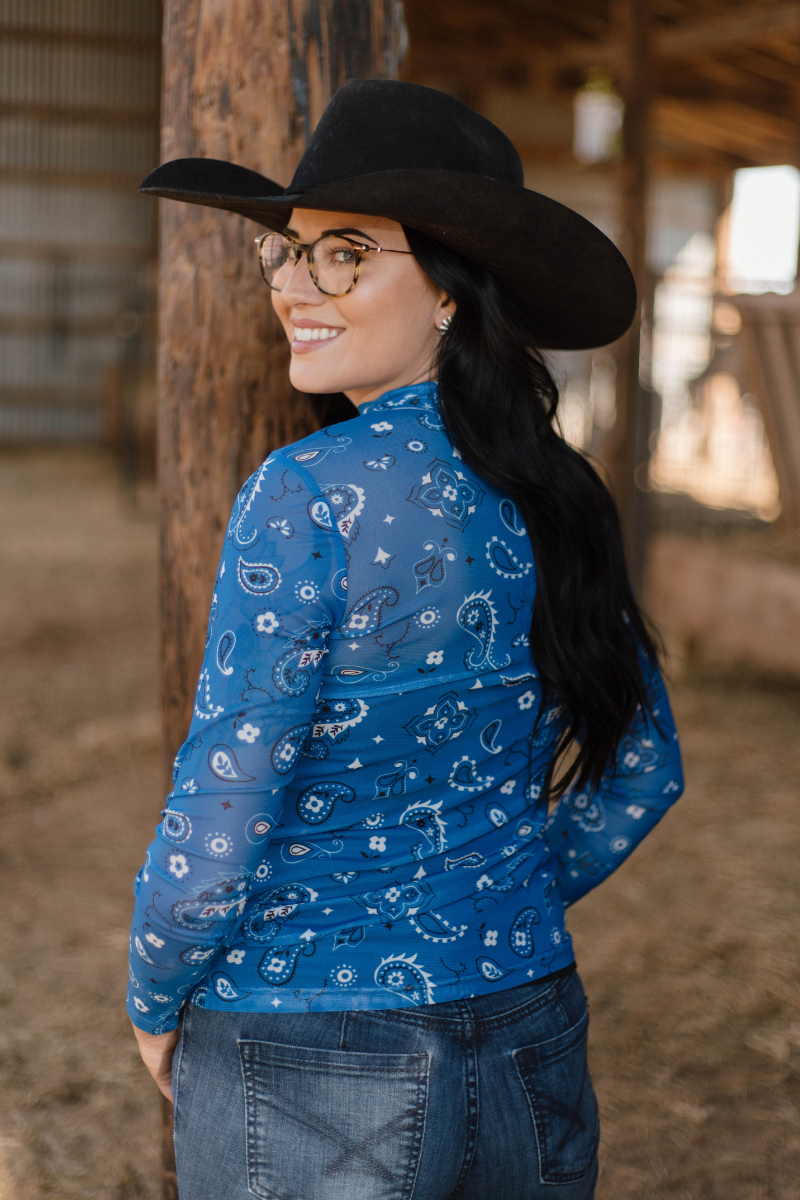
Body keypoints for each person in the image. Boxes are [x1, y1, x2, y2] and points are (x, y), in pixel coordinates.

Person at [128, 80, 683, 1200]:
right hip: (528, 1022)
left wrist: (153, 993)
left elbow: (224, 803)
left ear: (447, 294)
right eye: (289, 254)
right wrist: (489, 904)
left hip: (304, 1047)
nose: (295, 287)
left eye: (345, 255)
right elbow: (641, 773)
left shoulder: (304, 497)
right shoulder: (557, 492)